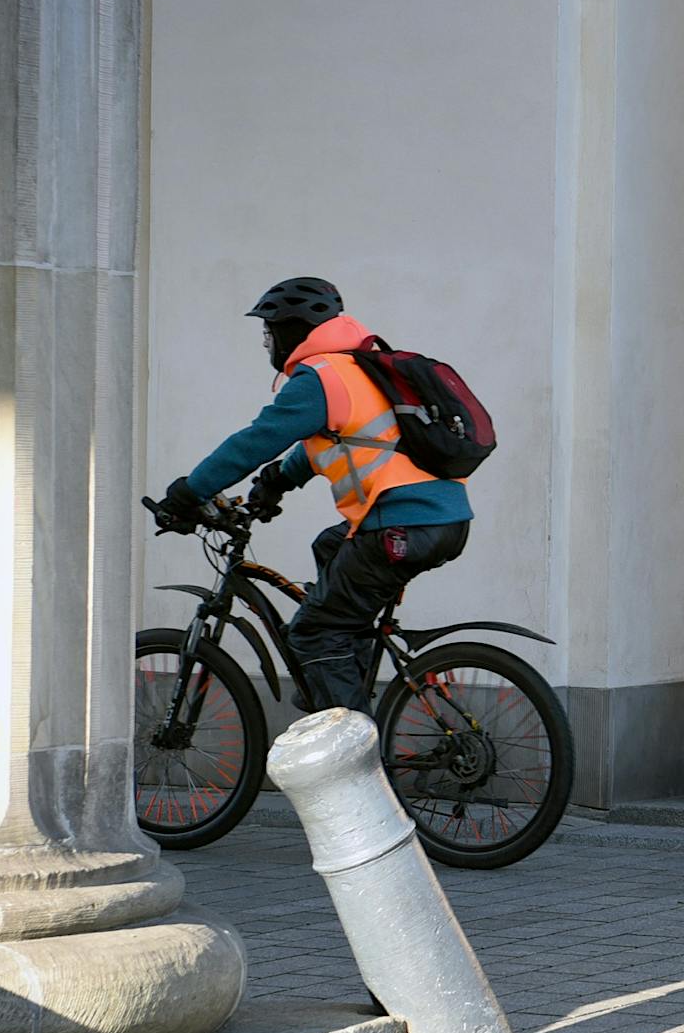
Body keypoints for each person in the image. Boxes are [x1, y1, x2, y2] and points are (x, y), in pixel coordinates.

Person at [158, 277, 472, 713]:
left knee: (314, 632)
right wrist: (277, 483)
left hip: (402, 523)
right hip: (442, 518)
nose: (268, 343)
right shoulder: (358, 368)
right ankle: (345, 675)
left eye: (269, 332)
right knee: (330, 546)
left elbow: (258, 439)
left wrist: (189, 492)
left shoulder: (320, 376)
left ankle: (354, 755)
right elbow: (342, 440)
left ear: (291, 330)